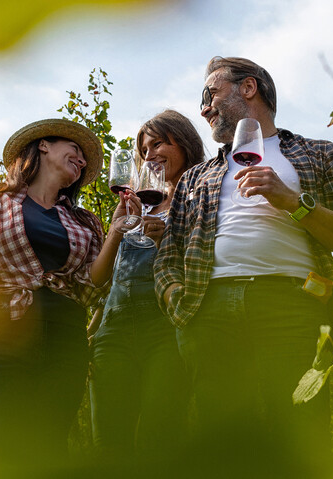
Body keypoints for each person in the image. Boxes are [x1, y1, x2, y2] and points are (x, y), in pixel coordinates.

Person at [154, 57, 333, 471]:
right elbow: (168, 255)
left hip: (292, 306)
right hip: (208, 310)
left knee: (301, 436)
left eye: (211, 94)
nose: (203, 108)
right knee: (223, 444)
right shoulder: (194, 177)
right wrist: (180, 304)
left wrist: (294, 201)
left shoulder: (319, 153)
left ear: (248, 88)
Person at [0, 118, 129, 462]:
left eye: (85, 158)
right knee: (2, 448)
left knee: (50, 451)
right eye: (74, 149)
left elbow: (93, 286)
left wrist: (116, 231)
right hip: (0, 337)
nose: (83, 160)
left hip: (65, 341)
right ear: (43, 145)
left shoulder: (85, 221)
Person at [88, 110, 205, 457]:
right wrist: (116, 228)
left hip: (165, 328)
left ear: (183, 143)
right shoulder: (136, 203)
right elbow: (102, 279)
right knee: (108, 442)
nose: (150, 154)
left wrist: (166, 241)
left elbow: (207, 264)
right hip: (114, 330)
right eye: (144, 148)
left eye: (158, 143)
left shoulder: (201, 196)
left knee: (160, 436)